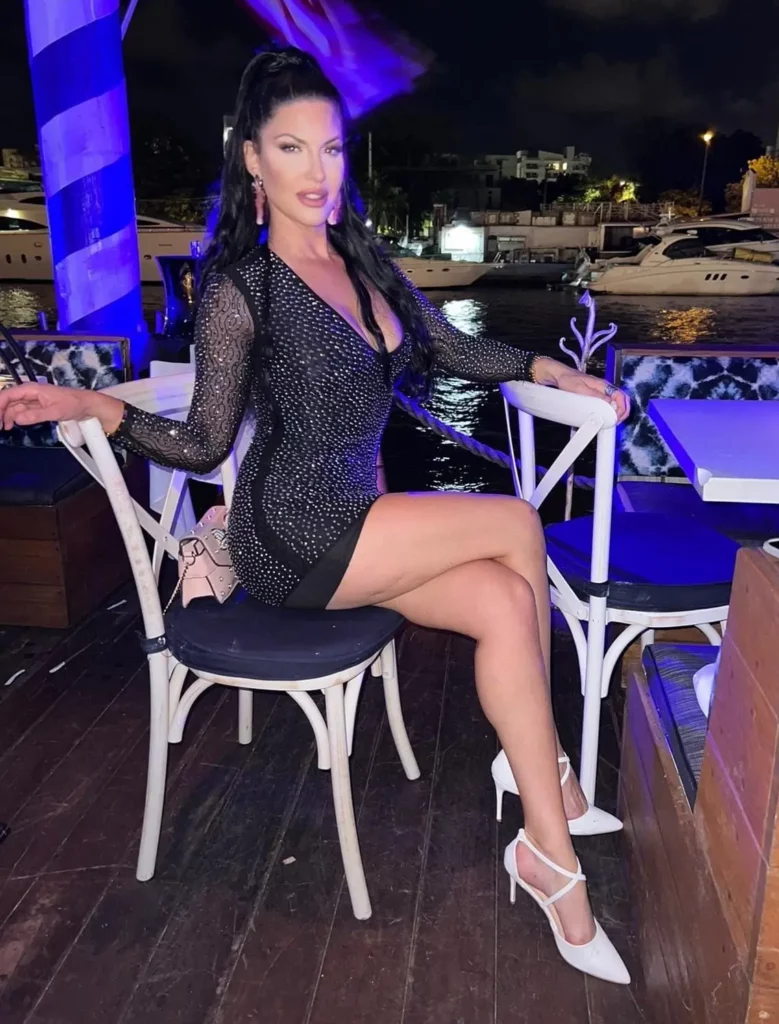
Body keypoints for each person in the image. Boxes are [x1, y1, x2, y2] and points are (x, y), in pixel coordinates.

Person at [0, 48, 630, 984]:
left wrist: (548, 368)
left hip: (363, 524)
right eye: (291, 147)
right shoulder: (241, 288)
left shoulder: (363, 265)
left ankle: (541, 827)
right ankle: (556, 818)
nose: (316, 170)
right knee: (512, 525)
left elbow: (447, 350)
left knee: (504, 600)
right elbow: (203, 443)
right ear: (252, 158)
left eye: (330, 148)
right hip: (288, 536)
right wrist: (98, 407)